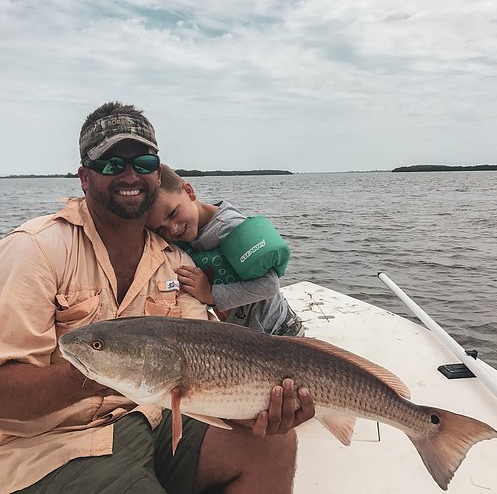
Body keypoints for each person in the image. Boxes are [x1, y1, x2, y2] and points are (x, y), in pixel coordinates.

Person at [0, 101, 315, 494]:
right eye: (112, 164)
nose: (130, 174)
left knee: (271, 442)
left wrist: (253, 407)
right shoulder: (34, 250)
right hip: (54, 446)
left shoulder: (176, 262)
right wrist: (99, 371)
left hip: (158, 419)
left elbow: (205, 363)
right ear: (84, 178)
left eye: (144, 162)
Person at [146, 165, 304, 336]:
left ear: (189, 191)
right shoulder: (185, 238)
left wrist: (209, 294)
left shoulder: (230, 227)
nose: (173, 229)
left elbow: (269, 285)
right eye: (161, 229)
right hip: (249, 337)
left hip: (280, 332)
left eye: (172, 213)